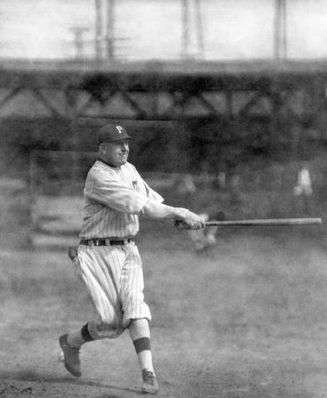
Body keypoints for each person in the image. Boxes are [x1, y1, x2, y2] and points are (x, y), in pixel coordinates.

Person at [59, 123, 205, 395]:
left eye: (126, 143)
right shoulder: (98, 176)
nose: (125, 148)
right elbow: (137, 205)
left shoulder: (130, 169)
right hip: (97, 252)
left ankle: (148, 374)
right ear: (103, 149)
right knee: (110, 323)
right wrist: (181, 211)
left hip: (127, 251)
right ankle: (70, 342)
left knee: (136, 308)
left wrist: (176, 218)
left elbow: (150, 199)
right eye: (118, 144)